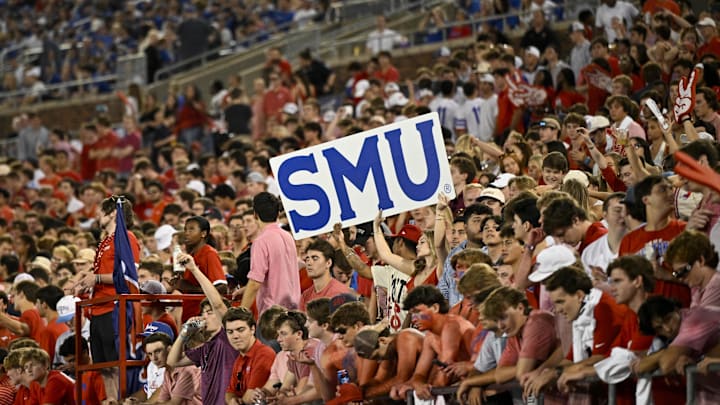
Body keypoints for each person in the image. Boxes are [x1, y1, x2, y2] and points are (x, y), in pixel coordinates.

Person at [457, 286, 560, 403]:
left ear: (520, 308)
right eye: (496, 320)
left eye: (503, 317)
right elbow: (500, 374)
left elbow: (522, 372)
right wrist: (470, 382)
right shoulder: (514, 333)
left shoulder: (536, 322)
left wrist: (528, 368)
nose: (500, 326)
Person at [167, 249, 239, 405]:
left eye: (210, 312)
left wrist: (193, 269)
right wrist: (184, 333)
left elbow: (218, 304)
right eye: (204, 313)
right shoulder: (206, 348)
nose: (205, 316)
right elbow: (173, 361)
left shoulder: (228, 338)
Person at [394, 285, 475, 400]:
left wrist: (425, 390)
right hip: (462, 386)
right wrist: (416, 385)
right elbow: (419, 374)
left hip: (480, 384)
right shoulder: (430, 336)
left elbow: (443, 378)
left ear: (435, 308)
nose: (413, 319)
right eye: (412, 314)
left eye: (417, 312)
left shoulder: (452, 325)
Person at [241, 192, 301, 313]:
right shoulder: (288, 237)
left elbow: (254, 283)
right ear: (278, 213)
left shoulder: (261, 242)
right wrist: (245, 289)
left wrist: (240, 313)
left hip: (272, 314)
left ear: (255, 215)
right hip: (294, 309)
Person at [176, 215, 226, 322]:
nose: (186, 233)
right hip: (190, 315)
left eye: (191, 229)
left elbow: (221, 287)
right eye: (185, 229)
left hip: (203, 318)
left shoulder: (209, 253)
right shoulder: (191, 255)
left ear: (203, 233)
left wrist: (190, 288)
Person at [354, 326, 424, 398]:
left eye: (377, 356)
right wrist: (359, 389)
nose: (379, 361)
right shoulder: (388, 349)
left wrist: (364, 394)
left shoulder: (405, 338)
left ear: (382, 340)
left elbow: (402, 379)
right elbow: (379, 379)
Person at [225, 307, 276, 405]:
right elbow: (229, 392)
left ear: (252, 329)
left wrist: (236, 401)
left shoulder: (264, 354)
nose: (235, 336)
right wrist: (232, 400)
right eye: (230, 332)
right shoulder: (239, 359)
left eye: (240, 330)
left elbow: (250, 397)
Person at [665, 230, 720, 307]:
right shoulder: (696, 287)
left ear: (701, 260)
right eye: (677, 274)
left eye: (683, 271)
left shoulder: (717, 285)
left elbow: (699, 317)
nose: (680, 278)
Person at [144, 332, 202, 404]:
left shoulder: (187, 369)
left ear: (169, 349)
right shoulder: (167, 371)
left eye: (158, 351)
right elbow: (161, 401)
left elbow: (174, 403)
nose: (154, 358)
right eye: (150, 354)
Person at [300, 239, 352, 310]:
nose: (309, 263)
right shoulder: (305, 295)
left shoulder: (339, 294)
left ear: (328, 263)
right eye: (307, 259)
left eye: (315, 258)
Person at [58, 335, 107, 405]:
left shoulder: (96, 374)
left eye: (72, 360)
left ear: (85, 353)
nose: (69, 365)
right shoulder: (79, 377)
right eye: (68, 362)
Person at [34, 285, 68, 364]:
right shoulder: (67, 324)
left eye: (37, 302)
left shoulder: (48, 331)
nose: (35, 306)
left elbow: (45, 362)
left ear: (44, 304)